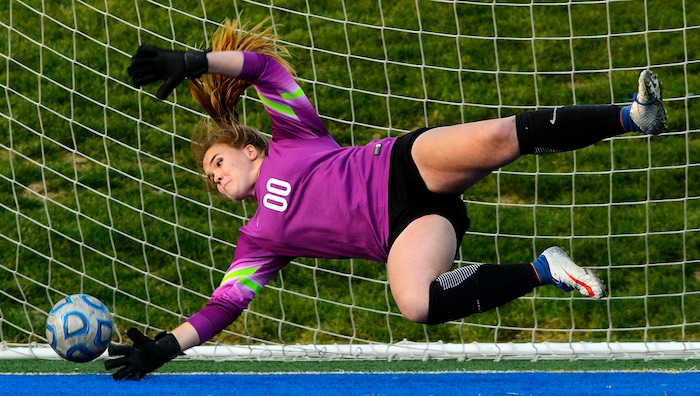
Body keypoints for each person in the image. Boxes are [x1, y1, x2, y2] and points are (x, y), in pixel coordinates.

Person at [105, 19, 667, 380]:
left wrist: (195, 62)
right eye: (210, 178)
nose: (216, 178)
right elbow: (223, 306)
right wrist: (162, 349)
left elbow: (267, 70)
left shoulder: (293, 136)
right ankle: (543, 270)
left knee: (498, 137)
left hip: (403, 164)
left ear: (249, 150)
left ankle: (632, 116)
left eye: (217, 163)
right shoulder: (259, 240)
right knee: (417, 304)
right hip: (409, 227)